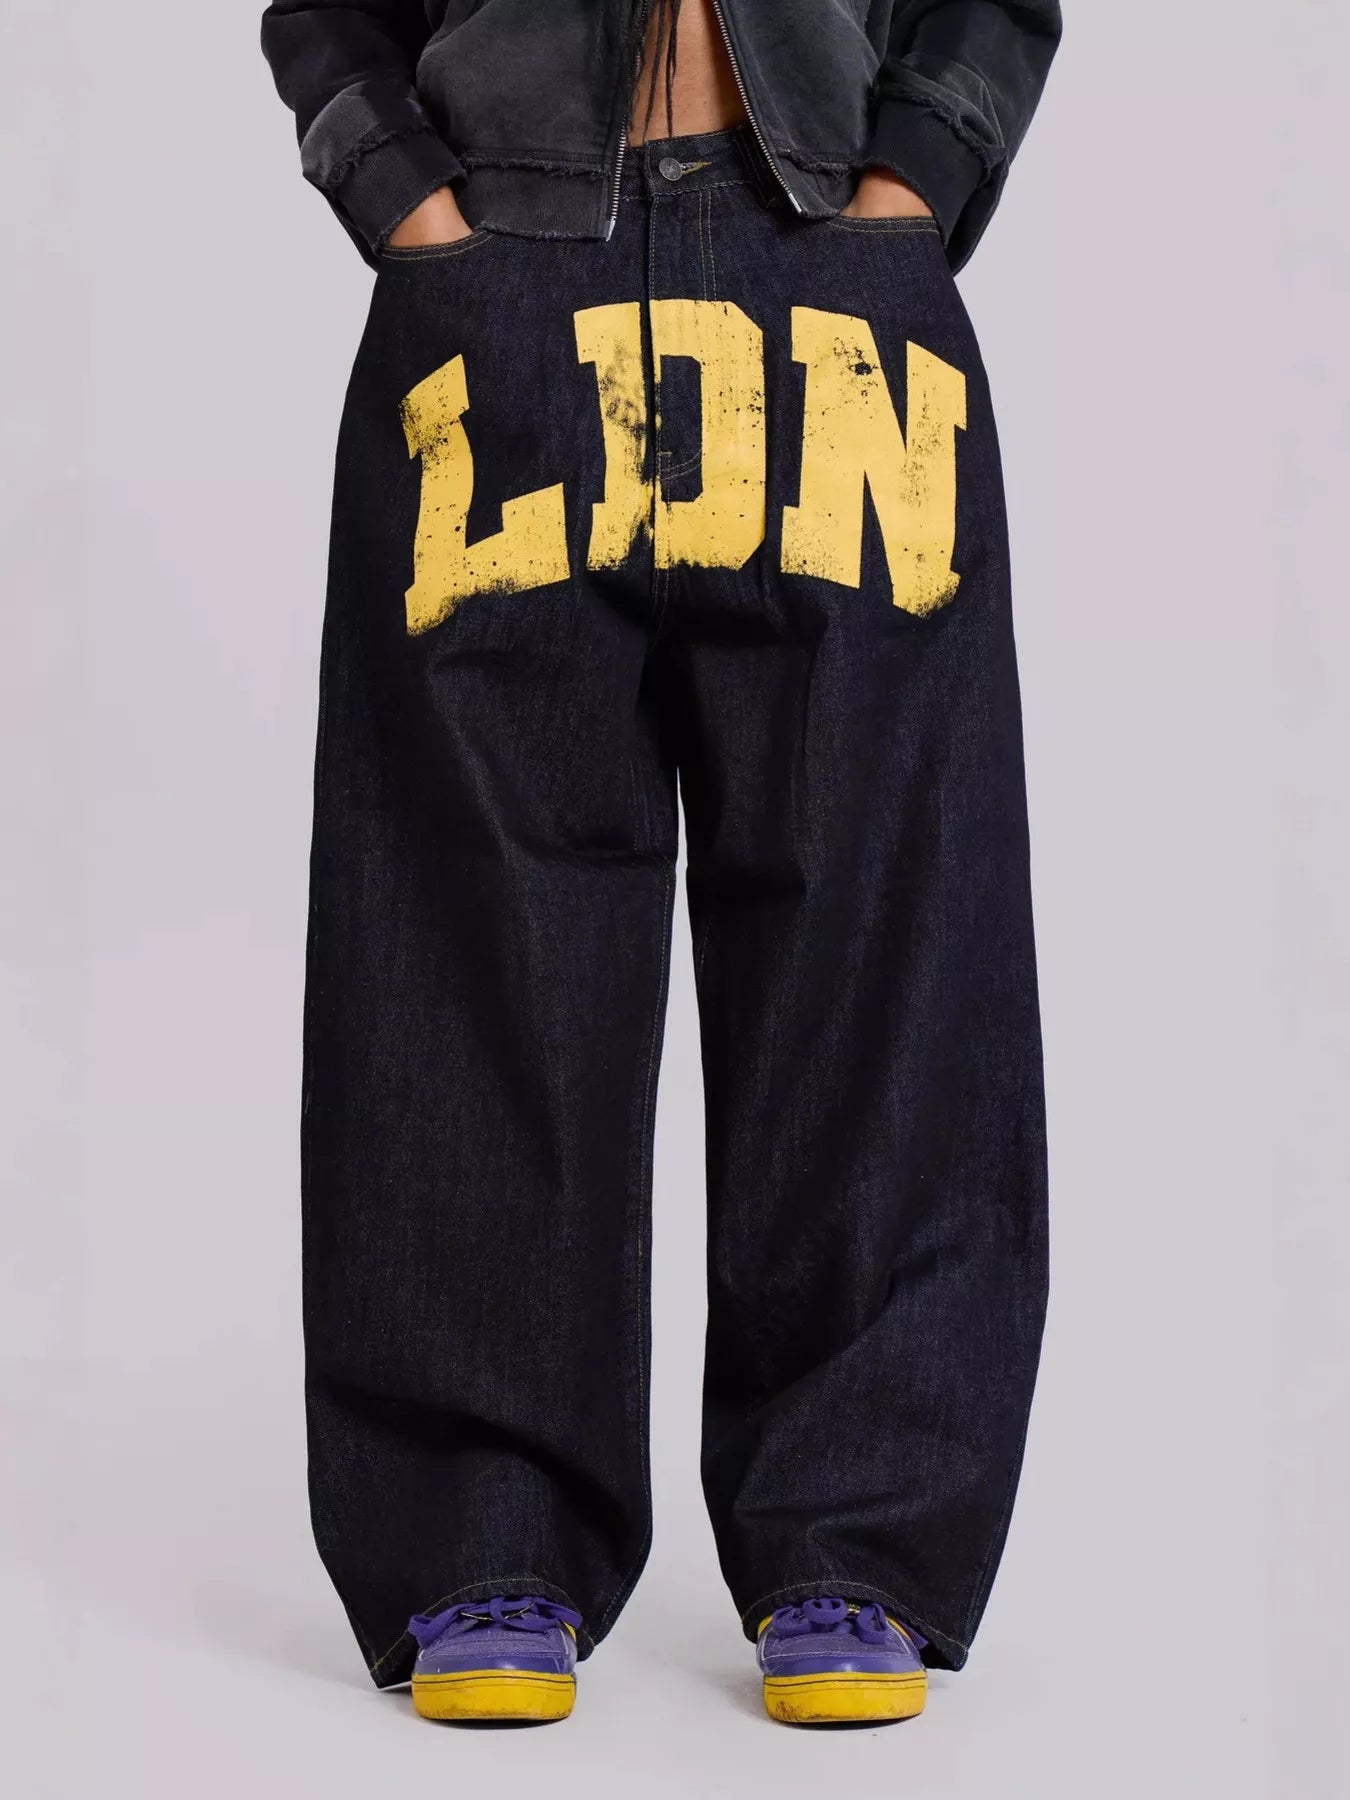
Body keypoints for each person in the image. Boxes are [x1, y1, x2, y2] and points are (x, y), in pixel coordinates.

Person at [261, 0, 1061, 1728]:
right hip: (498, 286)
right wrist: (414, 214)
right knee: (472, 938)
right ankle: (483, 1528)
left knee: (877, 929)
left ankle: (855, 1531)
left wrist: (909, 193)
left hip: (834, 279)